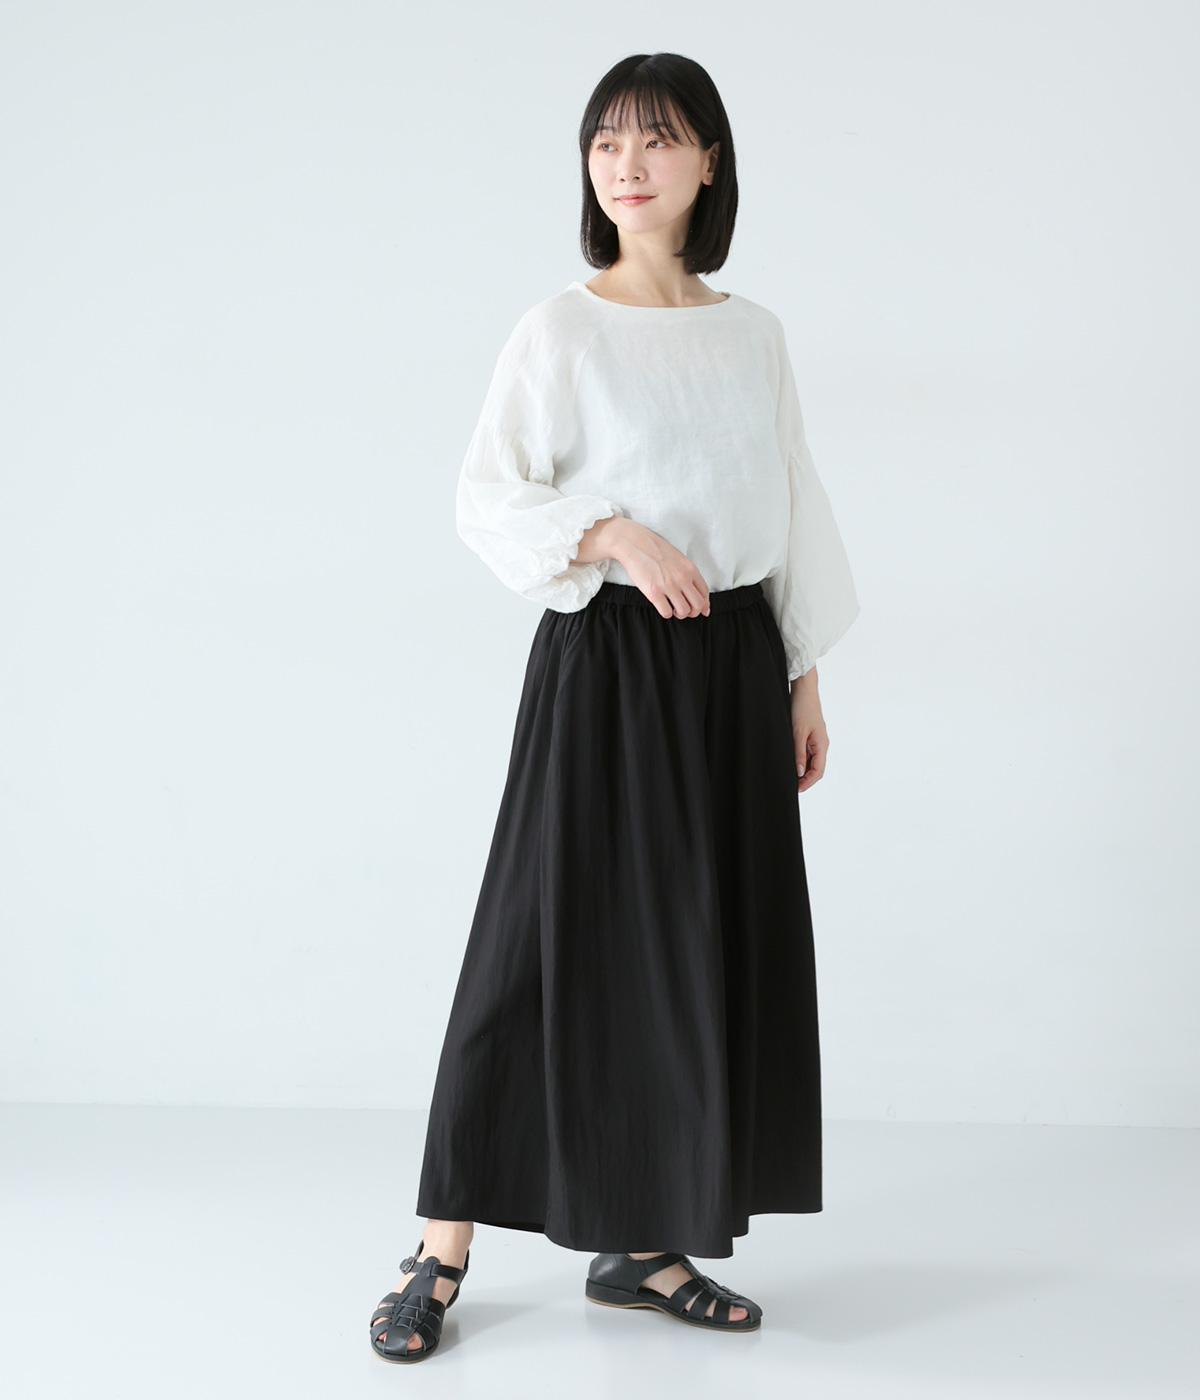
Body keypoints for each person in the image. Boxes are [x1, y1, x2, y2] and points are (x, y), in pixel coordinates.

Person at [369, 51, 860, 1363]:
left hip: (736, 666)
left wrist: (804, 672)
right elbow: (488, 494)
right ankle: (438, 1248)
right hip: (609, 668)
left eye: (658, 139)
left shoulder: (752, 333)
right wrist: (613, 533)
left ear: (710, 161)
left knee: (697, 950)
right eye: (606, 143)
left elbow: (790, 494)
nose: (628, 165)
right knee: (531, 946)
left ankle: (644, 1244)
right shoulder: (561, 330)